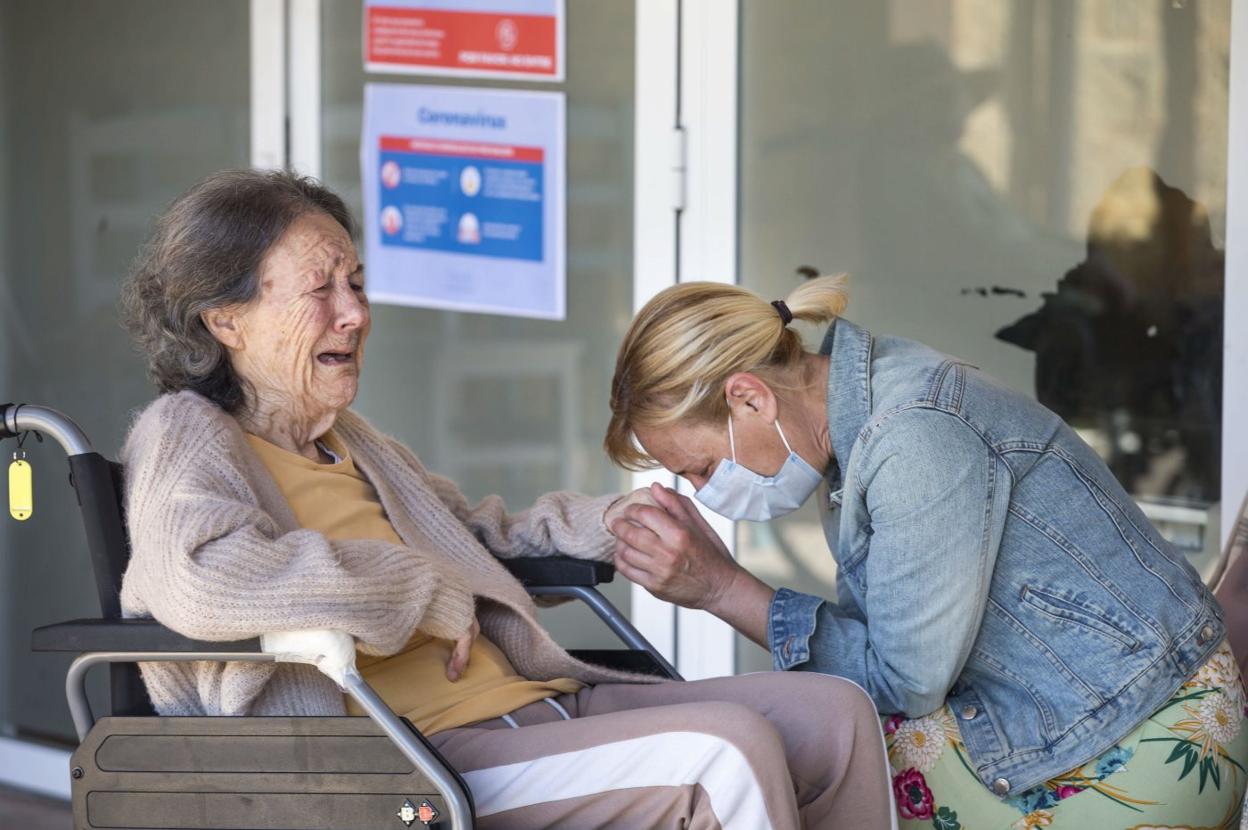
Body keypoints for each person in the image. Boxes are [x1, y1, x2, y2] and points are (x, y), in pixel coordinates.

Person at [116, 169, 894, 829]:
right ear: (227, 321)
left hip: (536, 706)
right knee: (724, 753)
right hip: (411, 758)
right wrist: (419, 592)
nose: (355, 313)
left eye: (354, 283)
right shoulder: (187, 435)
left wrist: (605, 522)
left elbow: (477, 539)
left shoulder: (352, 442)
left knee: (835, 714)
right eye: (320, 289)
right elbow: (201, 577)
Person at [604, 275, 1248, 828]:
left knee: (775, 775)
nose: (704, 492)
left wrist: (722, 589)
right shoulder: (860, 418)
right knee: (778, 749)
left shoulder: (914, 438)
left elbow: (901, 682)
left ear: (750, 397)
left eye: (700, 467)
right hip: (1085, 705)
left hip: (1138, 737)